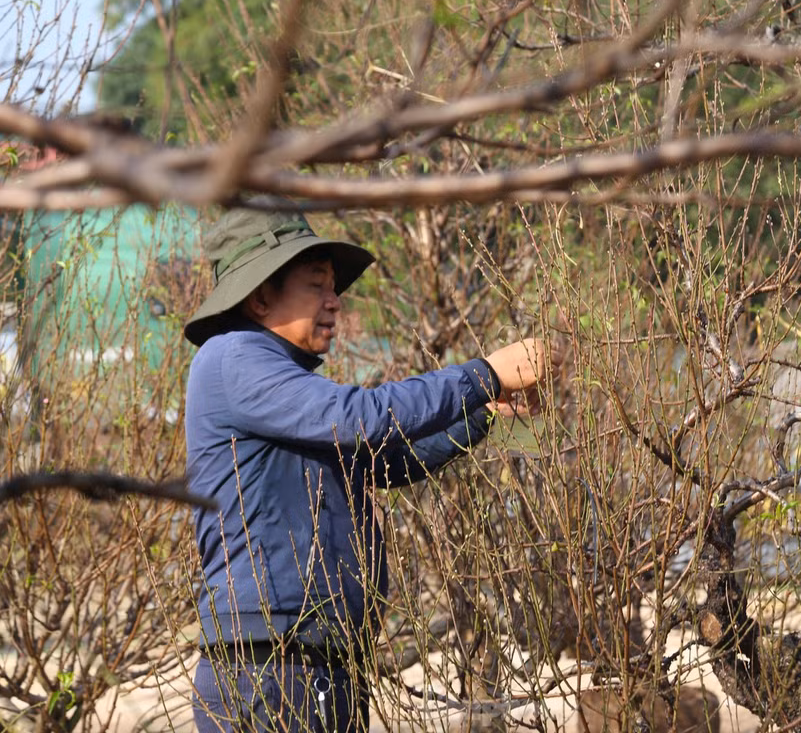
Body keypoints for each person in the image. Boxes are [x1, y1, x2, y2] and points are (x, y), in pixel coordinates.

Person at [183, 205, 549, 732]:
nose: (335, 301)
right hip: (271, 665)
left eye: (334, 288)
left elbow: (384, 462)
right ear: (260, 297)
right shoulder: (234, 356)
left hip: (308, 660)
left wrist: (484, 413)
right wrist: (484, 374)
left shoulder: (277, 383)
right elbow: (363, 418)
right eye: (317, 285)